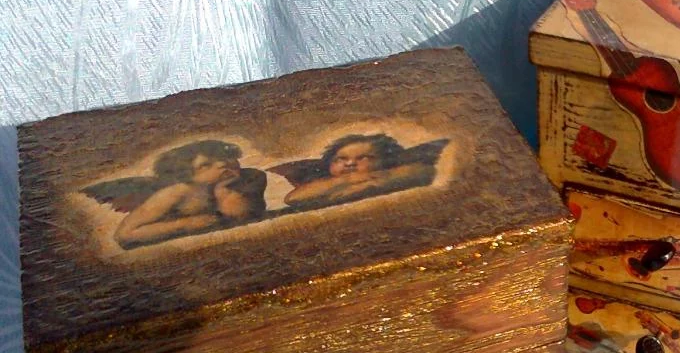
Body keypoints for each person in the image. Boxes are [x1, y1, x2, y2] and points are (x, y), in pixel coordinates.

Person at [113, 140, 267, 248]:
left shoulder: (252, 177)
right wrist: (186, 224)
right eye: (206, 165)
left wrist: (222, 191)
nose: (222, 163)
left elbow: (237, 216)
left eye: (225, 157)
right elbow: (125, 235)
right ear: (185, 174)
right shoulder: (176, 192)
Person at [281, 133, 444, 209]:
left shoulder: (400, 172)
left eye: (363, 158)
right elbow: (294, 198)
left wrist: (372, 180)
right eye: (340, 159)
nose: (350, 163)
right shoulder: (324, 183)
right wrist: (347, 180)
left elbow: (423, 171)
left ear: (385, 161)